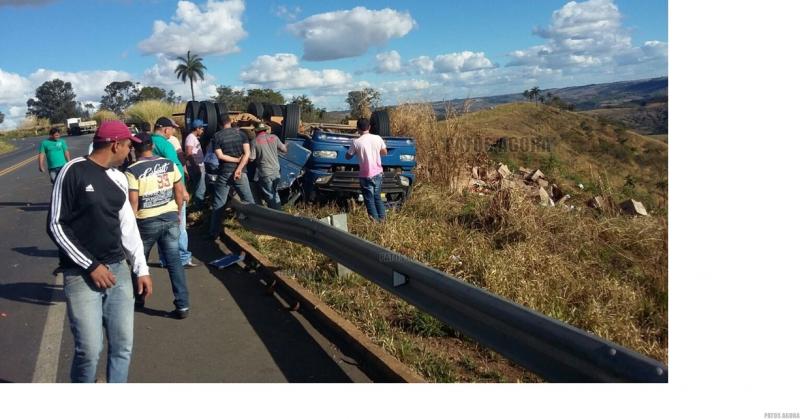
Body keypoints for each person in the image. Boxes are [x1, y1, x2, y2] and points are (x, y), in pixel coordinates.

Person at [46, 120, 153, 383]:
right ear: (116, 144)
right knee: (90, 351)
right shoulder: (72, 171)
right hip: (81, 274)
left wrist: (141, 268)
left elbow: (128, 228)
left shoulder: (119, 178)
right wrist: (91, 266)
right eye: (128, 145)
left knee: (123, 345)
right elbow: (55, 224)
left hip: (118, 271)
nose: (130, 151)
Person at [125, 133, 190, 319]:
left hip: (146, 221)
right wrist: (177, 213)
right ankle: (183, 305)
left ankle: (138, 298)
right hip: (169, 217)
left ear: (134, 149)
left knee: (139, 261)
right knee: (174, 262)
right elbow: (179, 191)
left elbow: (133, 201)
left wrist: (131, 225)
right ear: (152, 146)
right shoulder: (168, 164)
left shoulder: (132, 170)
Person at [151, 117, 197, 267]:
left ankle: (164, 259)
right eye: (172, 129)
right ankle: (183, 258)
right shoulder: (166, 144)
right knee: (180, 225)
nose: (172, 132)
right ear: (165, 129)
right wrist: (183, 190)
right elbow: (175, 167)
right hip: (174, 190)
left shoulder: (150, 143)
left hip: (158, 190)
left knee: (163, 226)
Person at [208, 114, 255, 240]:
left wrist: (234, 160)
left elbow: (220, 156)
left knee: (219, 202)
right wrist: (239, 169)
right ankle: (254, 229)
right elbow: (247, 154)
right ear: (229, 122)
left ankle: (214, 232)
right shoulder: (241, 134)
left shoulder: (217, 136)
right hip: (240, 173)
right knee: (249, 200)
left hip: (224, 172)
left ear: (219, 124)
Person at [346, 118, 388, 222]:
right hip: (378, 173)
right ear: (369, 127)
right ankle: (383, 221)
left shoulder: (356, 142)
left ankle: (374, 222)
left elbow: (348, 156)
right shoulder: (378, 138)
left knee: (369, 199)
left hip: (365, 175)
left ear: (357, 128)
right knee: (377, 197)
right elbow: (384, 152)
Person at [250, 123, 286, 210]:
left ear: (256, 131)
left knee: (270, 194)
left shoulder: (254, 141)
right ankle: (279, 212)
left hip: (265, 172)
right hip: (276, 171)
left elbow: (251, 158)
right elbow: (284, 150)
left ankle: (275, 216)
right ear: (266, 130)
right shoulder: (274, 137)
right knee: (275, 193)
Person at [184, 119, 207, 209]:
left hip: (198, 165)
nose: (203, 130)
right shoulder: (190, 138)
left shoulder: (193, 138)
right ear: (197, 128)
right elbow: (189, 153)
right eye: (202, 128)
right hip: (196, 166)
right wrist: (195, 166)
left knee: (199, 186)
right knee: (200, 187)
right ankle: (199, 208)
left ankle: (196, 205)